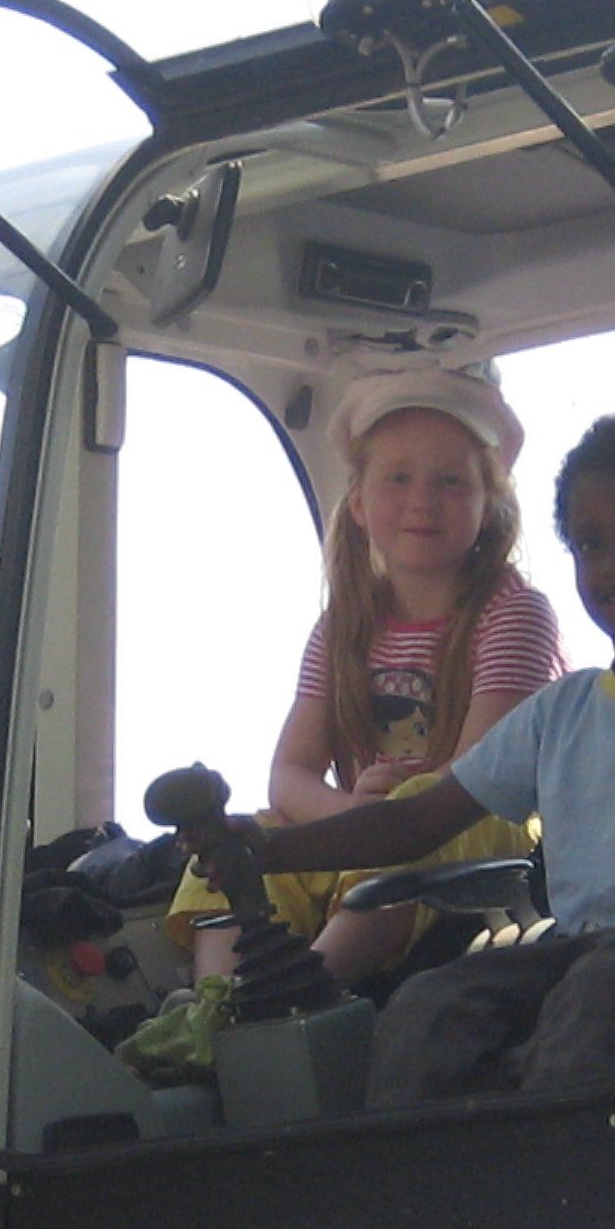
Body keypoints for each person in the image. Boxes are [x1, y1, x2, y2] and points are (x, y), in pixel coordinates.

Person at [180, 422, 615, 1106]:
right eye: (590, 544)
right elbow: (414, 824)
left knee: (603, 994)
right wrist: (267, 851)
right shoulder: (562, 710)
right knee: (428, 1009)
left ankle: (574, 1168)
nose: (614, 565)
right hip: (587, 952)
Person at [164, 366, 561, 990]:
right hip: (367, 825)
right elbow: (290, 772)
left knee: (411, 812)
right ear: (358, 502)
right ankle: (217, 1009)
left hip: (466, 828)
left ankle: (310, 992)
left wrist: (381, 823)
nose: (423, 500)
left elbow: (477, 780)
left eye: (451, 481)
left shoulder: (514, 614)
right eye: (398, 477)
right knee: (238, 844)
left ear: (488, 504)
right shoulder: (341, 629)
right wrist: (349, 814)